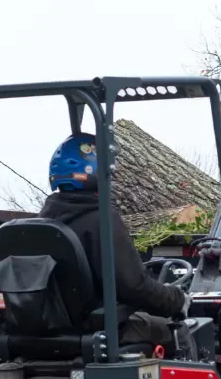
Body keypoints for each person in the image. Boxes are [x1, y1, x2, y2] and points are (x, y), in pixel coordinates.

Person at [38, 133, 190, 347]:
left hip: (47, 332)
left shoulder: (44, 223)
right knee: (180, 332)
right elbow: (134, 286)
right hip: (95, 331)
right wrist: (176, 300)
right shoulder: (101, 220)